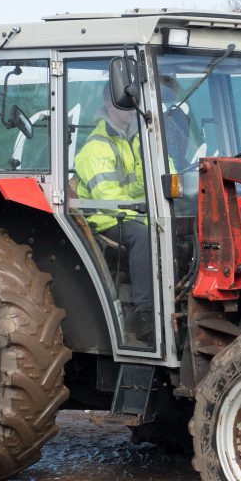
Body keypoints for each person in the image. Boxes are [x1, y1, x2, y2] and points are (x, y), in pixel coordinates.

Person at [74, 86, 152, 340]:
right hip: (106, 218)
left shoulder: (140, 138)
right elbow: (108, 197)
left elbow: (158, 174)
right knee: (143, 236)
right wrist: (145, 214)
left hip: (138, 212)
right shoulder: (96, 146)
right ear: (109, 105)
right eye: (126, 105)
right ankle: (145, 313)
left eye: (134, 105)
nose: (132, 111)